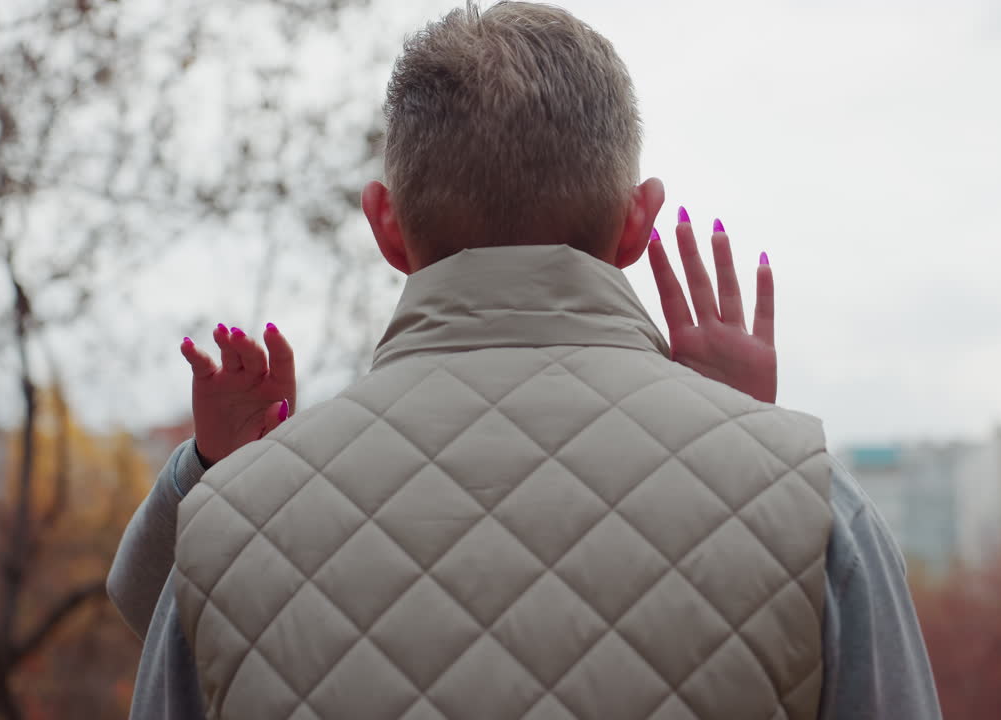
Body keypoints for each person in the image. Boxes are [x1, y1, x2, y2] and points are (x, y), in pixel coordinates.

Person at [108, 2, 942, 718]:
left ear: (385, 224)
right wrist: (742, 450)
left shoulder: (222, 522)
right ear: (639, 222)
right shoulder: (819, 508)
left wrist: (221, 477)